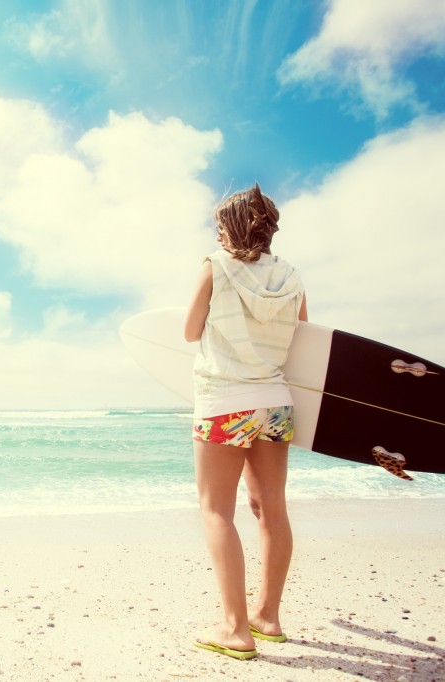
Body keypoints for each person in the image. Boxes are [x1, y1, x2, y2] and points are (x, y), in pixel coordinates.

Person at [184, 183, 307, 660]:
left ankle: (236, 629)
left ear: (232, 227)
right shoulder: (293, 277)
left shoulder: (215, 266)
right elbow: (303, 338)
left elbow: (190, 331)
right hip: (275, 402)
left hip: (224, 401)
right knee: (271, 510)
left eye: (219, 226)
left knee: (216, 509)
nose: (215, 234)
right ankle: (268, 617)